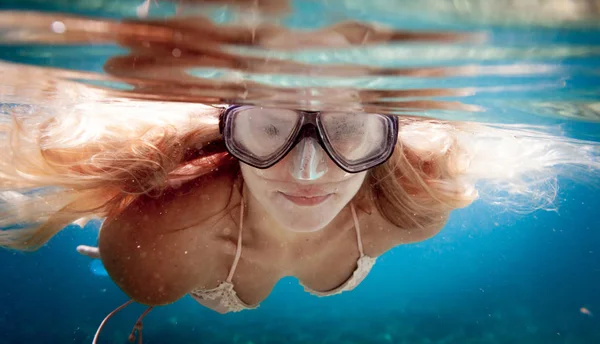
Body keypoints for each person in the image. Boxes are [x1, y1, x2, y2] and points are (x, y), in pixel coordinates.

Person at [0, 94, 598, 343]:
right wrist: (130, 240)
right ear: (228, 128)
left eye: (349, 129)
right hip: (174, 253)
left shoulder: (414, 210)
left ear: (387, 136)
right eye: (268, 126)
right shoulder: (155, 246)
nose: (309, 173)